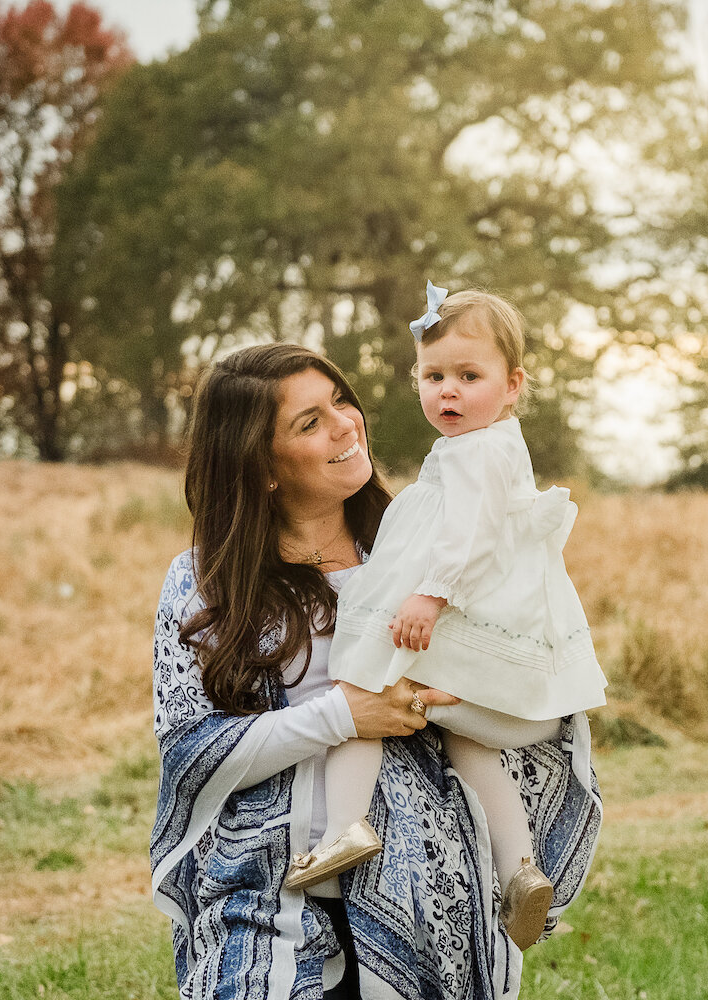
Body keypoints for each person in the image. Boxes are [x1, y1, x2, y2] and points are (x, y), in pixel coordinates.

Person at [150, 343, 603, 1000]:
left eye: (341, 400)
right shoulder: (204, 586)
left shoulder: (435, 556)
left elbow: (537, 669)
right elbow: (191, 751)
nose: (346, 423)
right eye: (309, 422)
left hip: (427, 892)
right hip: (266, 892)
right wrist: (345, 715)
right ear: (263, 467)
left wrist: (472, 693)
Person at [282, 284, 607, 952]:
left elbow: (472, 539)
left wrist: (429, 594)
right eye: (433, 378)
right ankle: (519, 870)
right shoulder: (483, 448)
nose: (448, 393)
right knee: (472, 746)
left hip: (453, 622)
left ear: (512, 385)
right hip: (479, 635)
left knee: (363, 690)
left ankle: (344, 828)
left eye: (469, 376)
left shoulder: (480, 452)